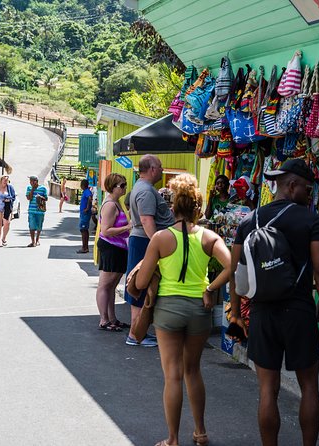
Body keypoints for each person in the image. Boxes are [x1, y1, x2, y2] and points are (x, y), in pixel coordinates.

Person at [229, 159, 319, 446]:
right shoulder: (310, 220)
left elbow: (234, 270)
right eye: (308, 189)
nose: (310, 195)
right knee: (309, 386)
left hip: (263, 312)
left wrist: (236, 313)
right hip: (299, 310)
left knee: (267, 389)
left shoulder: (250, 220)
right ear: (291, 186)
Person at [135, 173, 231, 446]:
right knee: (193, 370)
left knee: (173, 375)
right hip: (199, 310)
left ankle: (173, 439)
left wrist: (147, 272)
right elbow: (231, 266)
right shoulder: (210, 237)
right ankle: (200, 432)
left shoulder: (161, 238)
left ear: (172, 207)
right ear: (197, 207)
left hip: (167, 310)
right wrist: (210, 288)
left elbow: (141, 282)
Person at [124, 155, 174, 347]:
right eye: (160, 167)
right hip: (144, 242)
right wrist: (157, 245)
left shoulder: (142, 188)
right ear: (152, 168)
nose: (162, 170)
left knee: (142, 286)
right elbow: (146, 220)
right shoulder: (145, 191)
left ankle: (137, 332)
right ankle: (136, 334)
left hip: (143, 241)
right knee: (140, 285)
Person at [96, 173, 132, 332]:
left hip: (118, 247)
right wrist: (127, 227)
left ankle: (112, 318)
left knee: (112, 286)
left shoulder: (116, 203)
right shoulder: (110, 204)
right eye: (122, 185)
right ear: (113, 187)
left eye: (125, 184)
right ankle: (104, 319)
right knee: (105, 285)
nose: (125, 188)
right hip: (111, 246)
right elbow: (106, 230)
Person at [26, 175, 48, 247]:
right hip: (32, 210)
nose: (30, 182)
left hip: (40, 210)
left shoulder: (43, 188)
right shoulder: (29, 188)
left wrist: (41, 197)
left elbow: (46, 198)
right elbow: (28, 198)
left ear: (35, 181)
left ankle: (37, 239)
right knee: (31, 226)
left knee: (39, 226)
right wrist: (32, 189)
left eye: (31, 181)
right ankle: (33, 242)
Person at [77, 179, 93, 254]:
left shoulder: (87, 191)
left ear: (83, 185)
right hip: (84, 213)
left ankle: (84, 247)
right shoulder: (86, 191)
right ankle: (85, 247)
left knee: (83, 229)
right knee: (84, 230)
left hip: (85, 214)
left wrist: (87, 208)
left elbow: (90, 198)